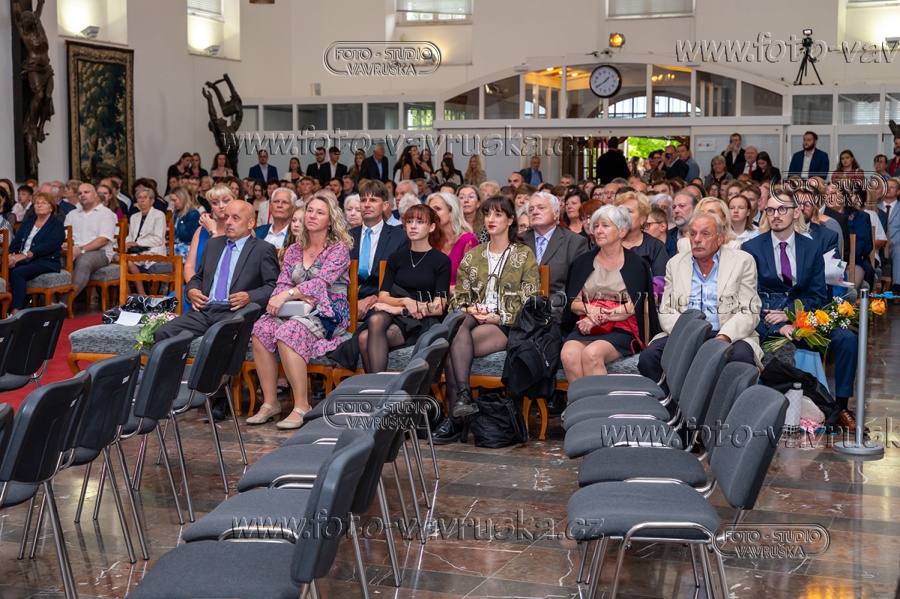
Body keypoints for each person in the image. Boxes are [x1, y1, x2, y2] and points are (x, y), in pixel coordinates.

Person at [743, 189, 860, 431]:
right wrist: (778, 323)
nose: (776, 215)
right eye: (771, 210)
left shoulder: (811, 248)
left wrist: (791, 315)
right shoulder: (751, 248)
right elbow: (751, 295)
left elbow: (817, 295)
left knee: (847, 339)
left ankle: (841, 407)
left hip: (804, 319)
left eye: (782, 209)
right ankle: (768, 409)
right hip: (767, 322)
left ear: (796, 212)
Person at [433, 197, 539, 443]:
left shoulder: (523, 255)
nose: (491, 219)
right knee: (460, 322)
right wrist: (470, 309)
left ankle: (457, 418)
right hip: (472, 318)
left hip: (504, 323)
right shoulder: (474, 256)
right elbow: (459, 298)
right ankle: (463, 400)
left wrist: (498, 315)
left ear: (510, 220)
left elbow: (529, 298)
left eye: (498, 215)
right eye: (488, 214)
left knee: (450, 346)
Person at [246, 194, 351, 428]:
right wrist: (282, 297)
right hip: (296, 309)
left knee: (289, 331)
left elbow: (320, 284)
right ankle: (270, 402)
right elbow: (282, 283)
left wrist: (288, 295)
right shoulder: (294, 249)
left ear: (330, 221)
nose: (312, 216)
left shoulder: (338, 249)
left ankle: (302, 406)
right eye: (310, 211)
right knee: (261, 328)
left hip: (328, 311)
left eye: (320, 213)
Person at [638, 213, 762, 384]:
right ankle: (671, 400)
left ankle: (722, 402)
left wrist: (724, 336)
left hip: (729, 333)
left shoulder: (742, 261)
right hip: (685, 332)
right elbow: (666, 309)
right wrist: (688, 334)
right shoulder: (675, 263)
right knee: (649, 357)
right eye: (693, 234)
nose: (697, 239)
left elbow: (749, 310)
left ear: (720, 238)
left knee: (741, 360)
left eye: (705, 234)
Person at [561, 204, 659, 382]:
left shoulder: (636, 265)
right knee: (568, 355)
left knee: (592, 354)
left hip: (622, 328)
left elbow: (633, 307)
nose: (599, 231)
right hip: (588, 326)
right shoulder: (582, 262)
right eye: (596, 226)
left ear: (622, 231)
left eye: (605, 226)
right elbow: (573, 303)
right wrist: (592, 312)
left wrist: (599, 317)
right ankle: (583, 400)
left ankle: (601, 401)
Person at [355, 204, 451, 373]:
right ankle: (380, 385)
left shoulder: (442, 261)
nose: (413, 226)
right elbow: (383, 296)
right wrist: (406, 302)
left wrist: (400, 309)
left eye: (420, 222)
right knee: (374, 322)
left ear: (431, 227)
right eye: (409, 221)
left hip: (423, 320)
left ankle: (377, 385)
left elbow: (438, 307)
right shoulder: (396, 258)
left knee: (364, 338)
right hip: (396, 315)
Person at [349, 179, 409, 320]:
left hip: (382, 302)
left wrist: (374, 298)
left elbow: (400, 279)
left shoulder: (399, 237)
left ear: (385, 205)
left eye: (373, 200)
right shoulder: (347, 237)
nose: (367, 205)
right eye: (363, 200)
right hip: (347, 300)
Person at [524, 191, 589, 315]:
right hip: (521, 313)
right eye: (531, 209)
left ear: (556, 213)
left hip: (558, 313)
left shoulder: (575, 242)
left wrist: (549, 309)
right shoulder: (518, 241)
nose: (535, 212)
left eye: (541, 208)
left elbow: (575, 284)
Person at [7, 191, 64, 314]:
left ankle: (16, 310)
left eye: (44, 203)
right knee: (3, 267)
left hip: (45, 261)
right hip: (23, 259)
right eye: (37, 203)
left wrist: (27, 254)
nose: (39, 205)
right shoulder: (27, 223)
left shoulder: (56, 225)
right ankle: (4, 307)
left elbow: (50, 245)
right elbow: (16, 242)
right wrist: (10, 256)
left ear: (51, 207)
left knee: (18, 272)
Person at [65, 183, 118, 301]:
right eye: (80, 193)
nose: (82, 195)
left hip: (100, 252)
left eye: (86, 192)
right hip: (74, 250)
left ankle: (64, 302)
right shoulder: (72, 214)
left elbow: (103, 240)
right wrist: (67, 246)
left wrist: (80, 250)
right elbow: (66, 236)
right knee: (50, 261)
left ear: (95, 195)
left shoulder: (106, 213)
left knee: (84, 261)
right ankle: (50, 303)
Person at [125, 188, 168, 296]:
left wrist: (138, 243)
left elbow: (158, 239)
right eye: (139, 198)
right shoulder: (134, 217)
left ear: (152, 201)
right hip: (135, 251)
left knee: (128, 262)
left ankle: (141, 293)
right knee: (121, 261)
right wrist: (127, 244)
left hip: (152, 250)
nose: (142, 200)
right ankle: (128, 297)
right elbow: (130, 236)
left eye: (145, 197)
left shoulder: (159, 215)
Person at [615, 191, 667, 278]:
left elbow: (660, 280)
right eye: (621, 211)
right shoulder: (608, 242)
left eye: (629, 211)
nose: (624, 215)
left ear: (643, 219)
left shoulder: (655, 247)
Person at [877, 178, 900, 293]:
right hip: (877, 245)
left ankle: (897, 287)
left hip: (894, 245)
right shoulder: (875, 207)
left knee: (899, 252)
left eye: (892, 187)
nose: (889, 189)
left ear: (898, 191)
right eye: (887, 187)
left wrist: (891, 242)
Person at [665, 189, 698, 257]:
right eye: (674, 207)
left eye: (682, 206)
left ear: (695, 209)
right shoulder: (668, 236)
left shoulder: (702, 235)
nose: (676, 211)